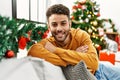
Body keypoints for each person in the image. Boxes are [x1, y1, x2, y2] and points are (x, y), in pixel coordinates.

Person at [27, 4, 120, 80]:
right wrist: (75, 55)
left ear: (70, 24)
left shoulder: (80, 35)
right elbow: (32, 52)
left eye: (63, 23)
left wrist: (55, 50)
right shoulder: (47, 43)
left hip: (101, 70)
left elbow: (94, 63)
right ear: (49, 27)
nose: (59, 28)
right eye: (54, 24)